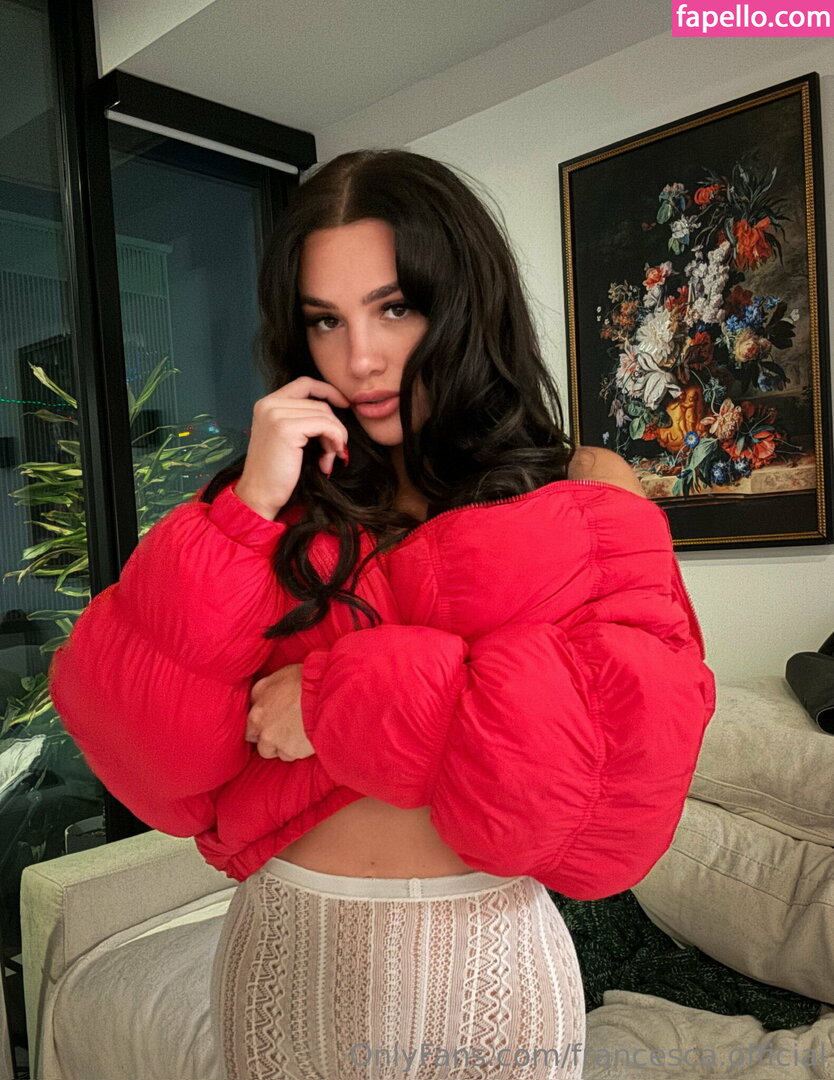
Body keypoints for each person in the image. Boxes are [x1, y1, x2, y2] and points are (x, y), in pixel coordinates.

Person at [49, 149, 716, 1080]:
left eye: (394, 308)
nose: (358, 358)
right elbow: (156, 770)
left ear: (463, 302)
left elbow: (614, 805)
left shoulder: (582, 489)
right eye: (325, 320)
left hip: (488, 967)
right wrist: (244, 510)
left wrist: (332, 702)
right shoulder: (271, 505)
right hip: (284, 957)